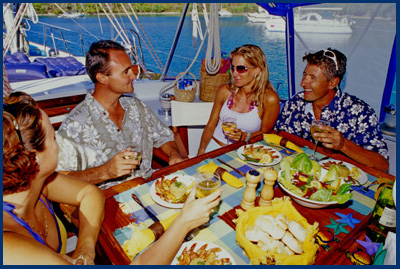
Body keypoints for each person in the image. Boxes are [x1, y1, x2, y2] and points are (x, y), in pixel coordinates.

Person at [56, 40, 184, 189]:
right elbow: (59, 181)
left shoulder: (137, 107)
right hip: (106, 200)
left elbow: (164, 137)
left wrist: (174, 154)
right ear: (102, 78)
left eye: (132, 69)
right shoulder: (75, 124)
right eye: (126, 71)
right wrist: (105, 172)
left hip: (149, 187)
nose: (133, 76)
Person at [3, 91, 105, 265]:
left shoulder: (36, 183)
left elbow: (90, 193)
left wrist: (85, 248)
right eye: (54, 138)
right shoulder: (8, 247)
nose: (58, 144)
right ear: (34, 157)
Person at [275, 48, 389, 172]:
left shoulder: (360, 113)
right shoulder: (296, 103)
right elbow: (278, 137)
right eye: (304, 75)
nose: (303, 83)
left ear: (333, 83)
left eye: (313, 78)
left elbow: (383, 165)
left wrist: (343, 145)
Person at [197, 44, 280, 155]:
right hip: (214, 147)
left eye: (241, 68)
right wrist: (201, 150)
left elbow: (266, 134)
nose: (234, 73)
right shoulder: (224, 91)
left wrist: (245, 136)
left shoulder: (269, 99)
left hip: (243, 154)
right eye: (232, 67)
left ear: (257, 70)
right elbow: (211, 125)